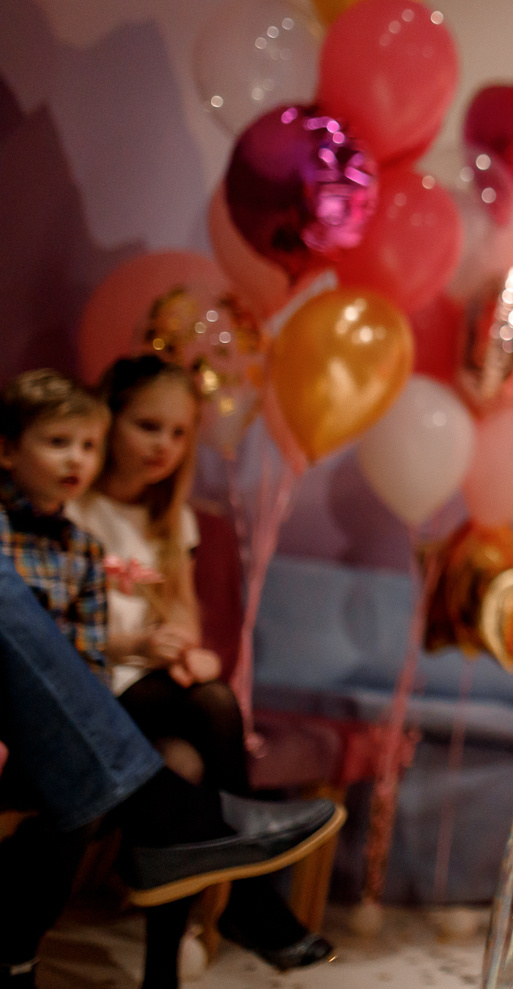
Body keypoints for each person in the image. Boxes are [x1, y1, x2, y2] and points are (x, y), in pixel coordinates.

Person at [0, 370, 340, 989]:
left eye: (180, 433)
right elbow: (48, 647)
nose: (162, 446)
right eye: (147, 426)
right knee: (196, 725)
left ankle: (169, 963)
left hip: (132, 688)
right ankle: (245, 894)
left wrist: (189, 650)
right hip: (88, 691)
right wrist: (134, 645)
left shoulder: (137, 528)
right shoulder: (63, 510)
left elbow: (172, 610)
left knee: (190, 742)